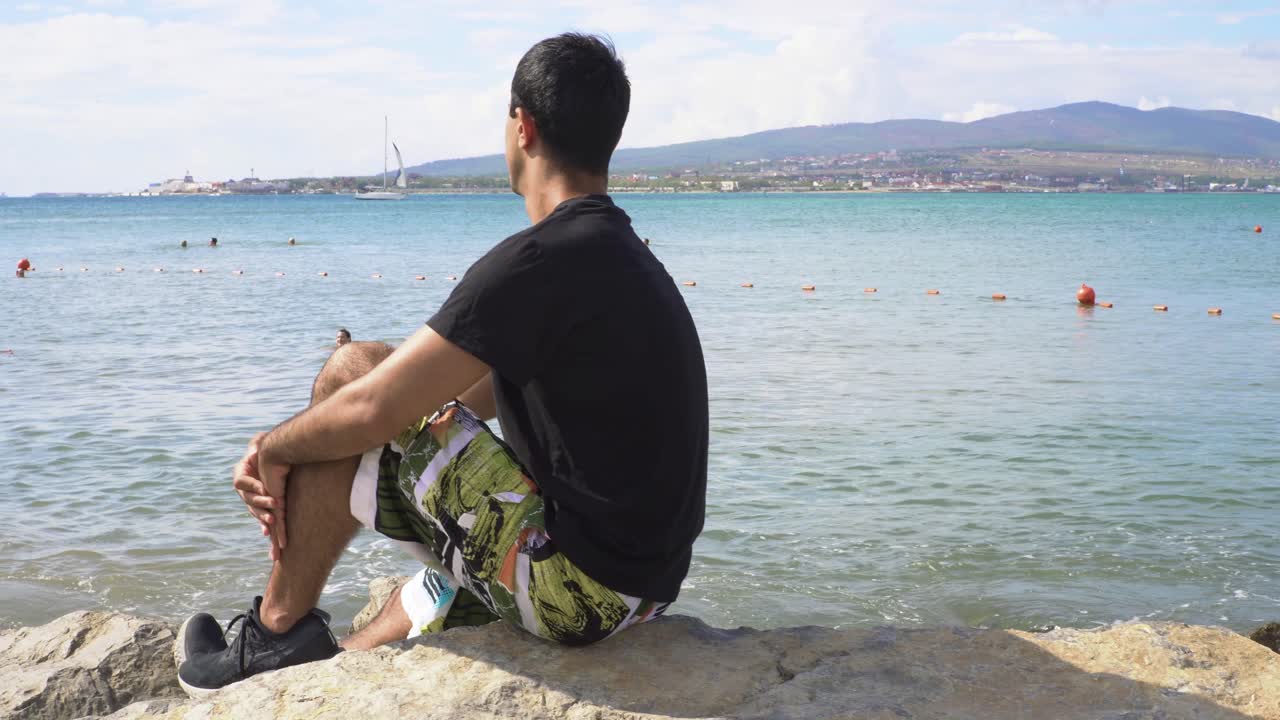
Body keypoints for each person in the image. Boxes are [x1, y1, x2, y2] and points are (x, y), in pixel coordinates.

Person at [177, 32, 707, 696]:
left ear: (523, 125)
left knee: (351, 372)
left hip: (580, 593)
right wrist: (346, 419)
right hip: (643, 593)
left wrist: (275, 447)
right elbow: (474, 394)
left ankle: (275, 632)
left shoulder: (539, 261)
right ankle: (332, 658)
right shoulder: (623, 254)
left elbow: (374, 406)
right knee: (423, 586)